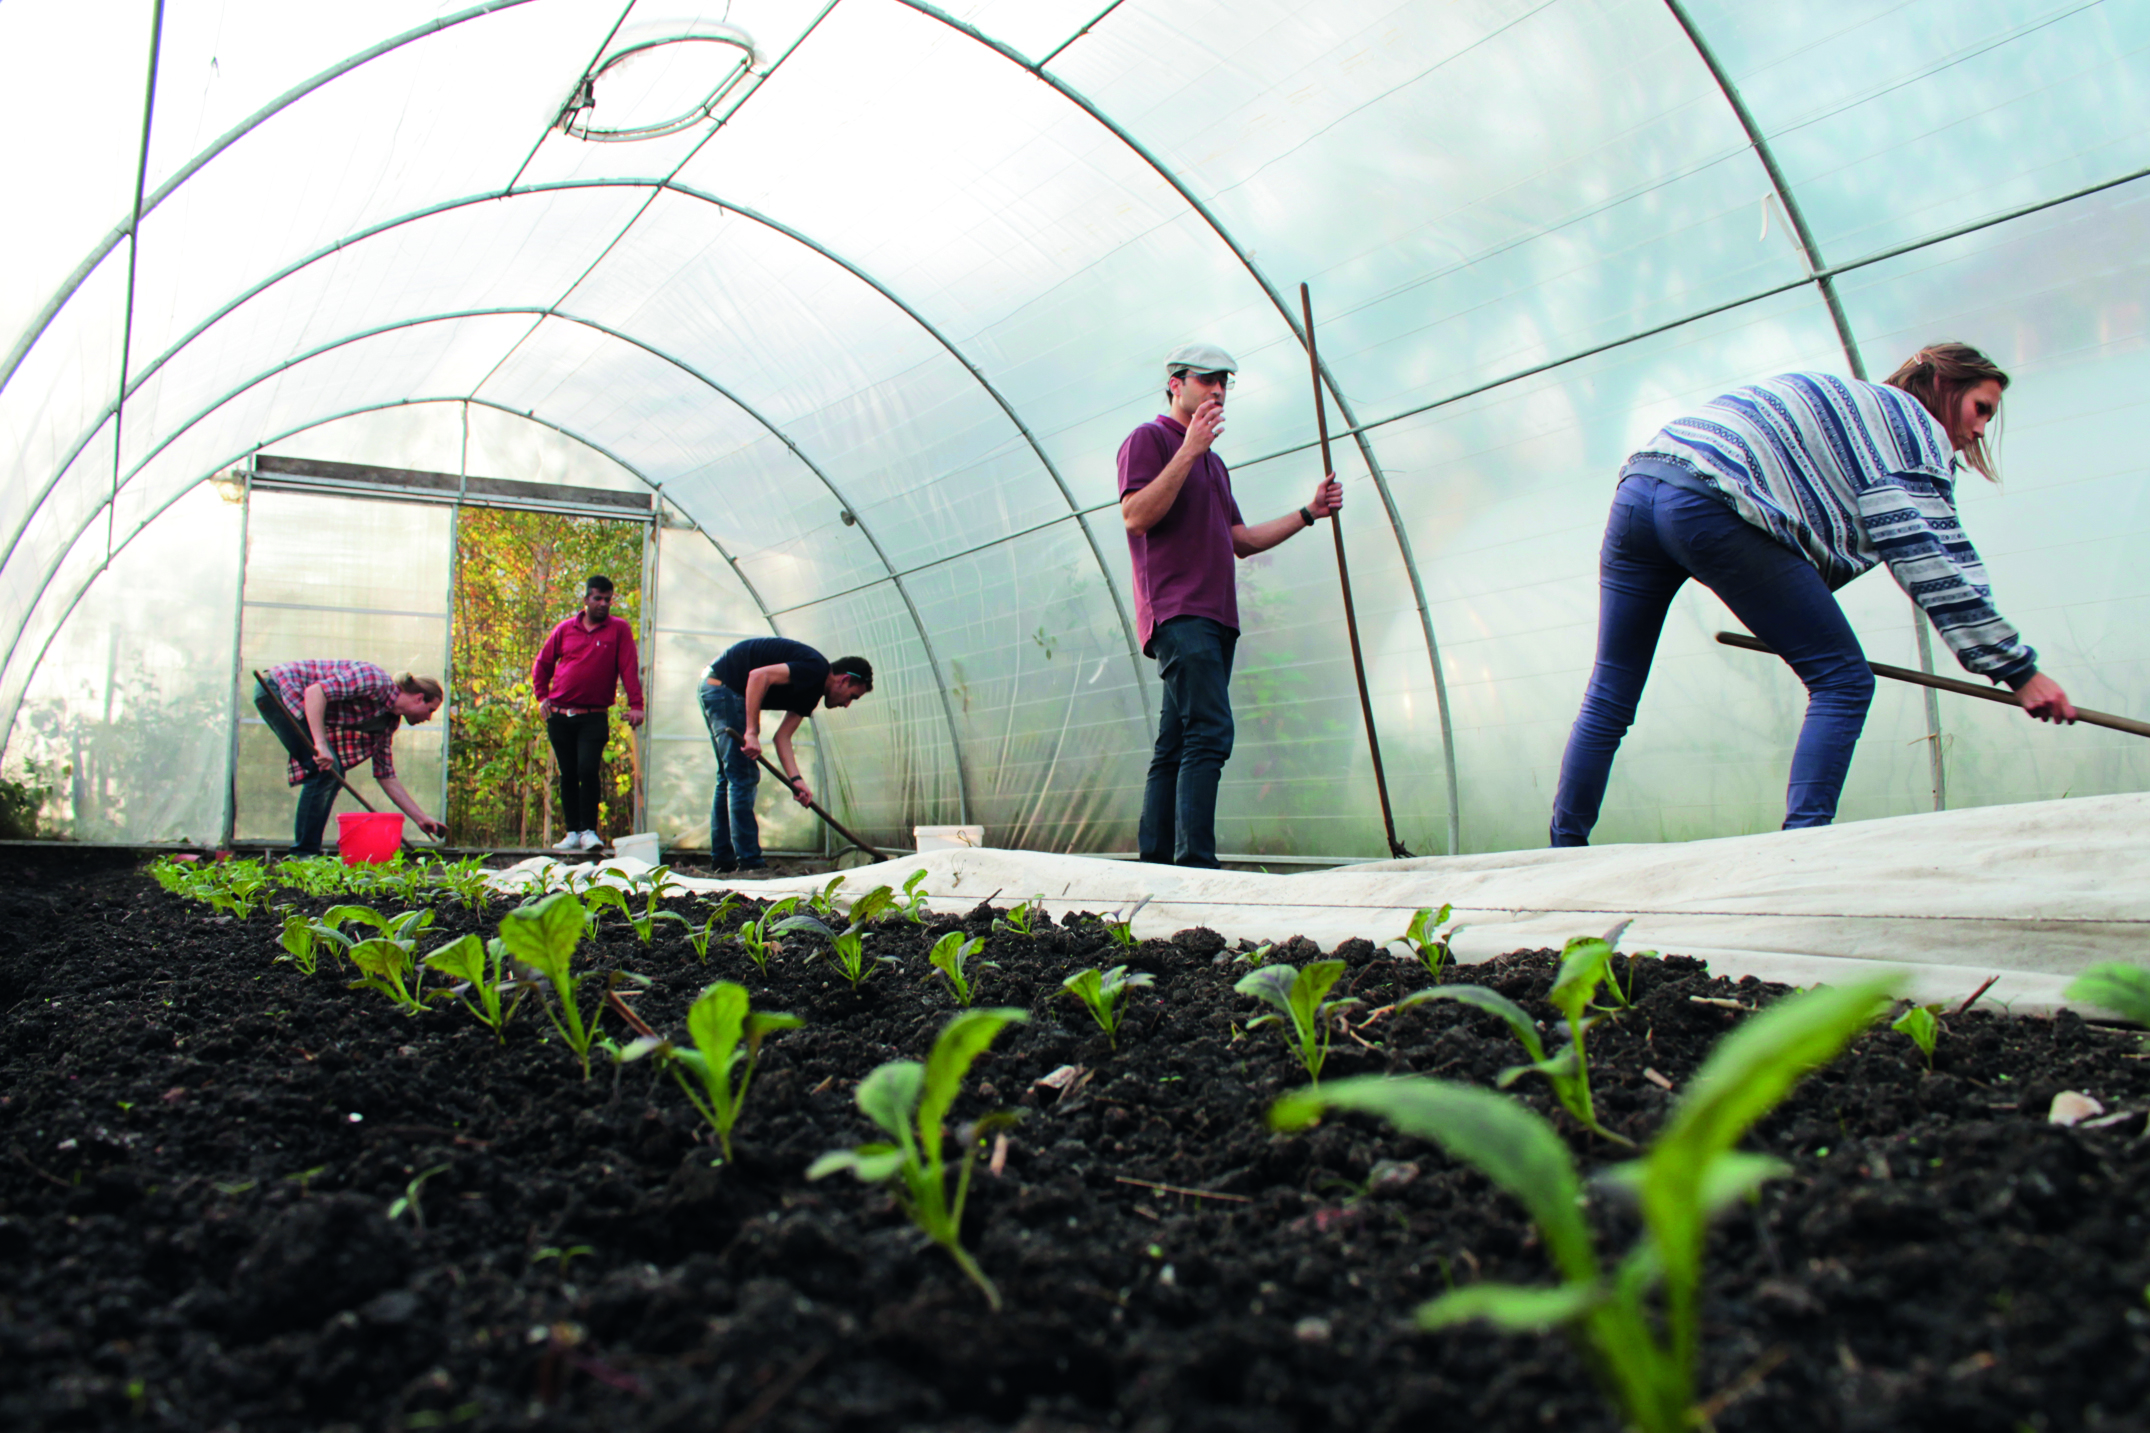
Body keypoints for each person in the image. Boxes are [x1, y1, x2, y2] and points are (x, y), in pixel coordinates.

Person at [1549, 342, 2076, 847]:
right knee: (1843, 681)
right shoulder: (1913, 427)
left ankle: (1563, 852)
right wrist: (2018, 671)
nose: (1980, 429)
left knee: (1611, 692)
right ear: (1942, 384)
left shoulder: (1854, 408)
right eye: (1980, 408)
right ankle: (1801, 853)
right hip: (1710, 501)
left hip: (1641, 488)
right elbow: (1931, 561)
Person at [1120, 342, 1344, 868]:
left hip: (1218, 619)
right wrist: (1189, 450)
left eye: (1225, 382)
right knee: (1211, 732)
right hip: (1178, 612)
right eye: (1205, 380)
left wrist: (1308, 513)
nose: (1218, 390)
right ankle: (1196, 865)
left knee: (1174, 744)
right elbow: (1136, 515)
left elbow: (1240, 539)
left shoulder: (1215, 466)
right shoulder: (1149, 440)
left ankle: (1153, 865)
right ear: (1175, 383)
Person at [699, 638, 873, 873]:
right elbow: (758, 676)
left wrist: (796, 781)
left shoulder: (811, 693)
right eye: (852, 696)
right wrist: (752, 732)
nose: (847, 704)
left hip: (715, 684)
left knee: (730, 777)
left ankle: (723, 860)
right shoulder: (816, 669)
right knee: (743, 775)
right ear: (844, 680)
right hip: (725, 686)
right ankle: (750, 863)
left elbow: (782, 736)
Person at [253, 661, 448, 855]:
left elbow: (386, 775)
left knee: (331, 773)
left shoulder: (387, 723)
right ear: (419, 698)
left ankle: (307, 851)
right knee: (324, 773)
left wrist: (420, 818)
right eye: (430, 710)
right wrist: (321, 745)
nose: (429, 718)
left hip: (292, 697)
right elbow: (315, 692)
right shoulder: (374, 680)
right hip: (279, 687)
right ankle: (304, 854)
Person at [531, 574, 645, 853]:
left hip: (594, 715)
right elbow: (543, 663)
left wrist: (636, 705)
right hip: (559, 715)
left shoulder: (618, 629)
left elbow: (628, 668)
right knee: (567, 772)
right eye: (598, 598)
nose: (604, 604)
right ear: (586, 600)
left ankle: (589, 832)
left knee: (587, 769)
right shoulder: (565, 629)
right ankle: (571, 832)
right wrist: (541, 697)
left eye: (608, 599)